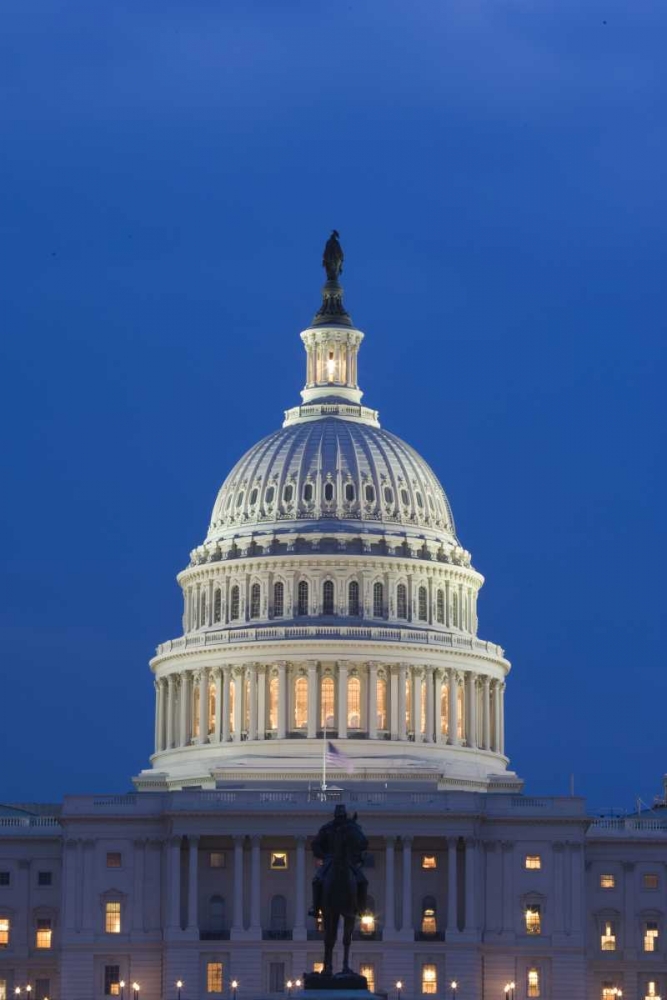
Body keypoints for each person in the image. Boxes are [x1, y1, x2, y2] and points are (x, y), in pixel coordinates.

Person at [309, 803, 369, 917]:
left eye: (342, 817)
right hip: (329, 860)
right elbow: (315, 844)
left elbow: (362, 843)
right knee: (317, 880)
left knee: (362, 881)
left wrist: (358, 855)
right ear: (335, 816)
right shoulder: (327, 828)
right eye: (339, 817)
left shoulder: (351, 828)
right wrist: (324, 855)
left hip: (348, 860)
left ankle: (362, 908)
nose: (340, 819)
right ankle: (315, 908)